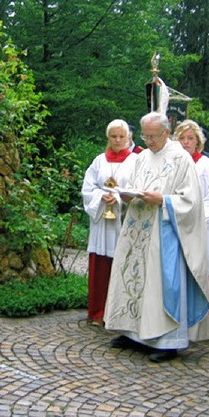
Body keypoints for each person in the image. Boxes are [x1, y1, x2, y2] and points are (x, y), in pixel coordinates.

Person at [104, 112, 209, 362]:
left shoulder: (181, 158)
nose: (149, 141)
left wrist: (162, 199)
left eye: (153, 136)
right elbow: (132, 185)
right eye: (145, 136)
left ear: (166, 132)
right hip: (136, 227)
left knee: (160, 285)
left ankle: (167, 341)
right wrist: (125, 196)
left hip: (164, 231)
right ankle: (132, 333)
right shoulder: (141, 157)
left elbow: (192, 201)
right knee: (132, 279)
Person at [82, 119, 138, 326]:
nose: (117, 140)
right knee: (100, 266)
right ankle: (97, 312)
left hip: (123, 222)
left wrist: (120, 197)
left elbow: (139, 188)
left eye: (121, 136)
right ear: (108, 137)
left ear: (128, 137)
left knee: (122, 265)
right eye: (113, 136)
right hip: (101, 223)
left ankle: (118, 313)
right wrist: (101, 197)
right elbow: (88, 188)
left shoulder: (136, 161)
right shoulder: (99, 161)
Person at [174, 119, 209, 332]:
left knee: (200, 272)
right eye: (182, 138)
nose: (185, 142)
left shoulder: (206, 165)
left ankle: (200, 325)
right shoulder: (174, 164)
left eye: (190, 138)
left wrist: (195, 220)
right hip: (178, 226)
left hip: (201, 227)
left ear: (198, 142)